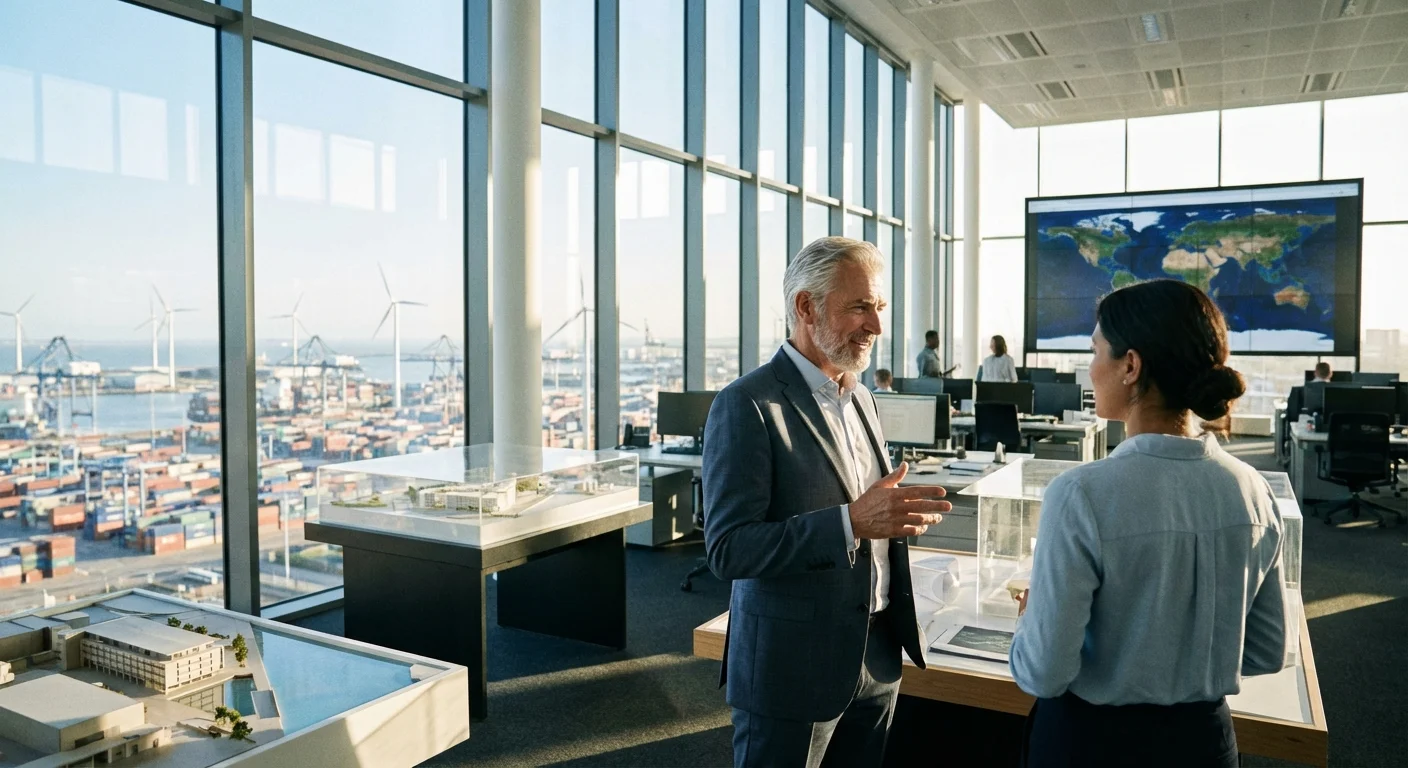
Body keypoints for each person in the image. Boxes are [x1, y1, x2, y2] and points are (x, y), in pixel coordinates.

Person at [1009, 279, 1288, 768]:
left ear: (1131, 366)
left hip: (1094, 746)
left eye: (1095, 351)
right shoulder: (1254, 490)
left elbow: (1043, 674)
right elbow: (1265, 652)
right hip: (1206, 744)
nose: (1089, 368)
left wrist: (1033, 620)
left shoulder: (1080, 494)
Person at [704, 236, 952, 768]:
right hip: (792, 668)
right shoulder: (747, 404)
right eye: (859, 306)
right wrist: (852, 522)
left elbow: (863, 510)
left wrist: (889, 518)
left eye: (879, 307)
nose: (877, 326)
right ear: (805, 307)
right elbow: (727, 549)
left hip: (879, 653)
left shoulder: (861, 395)